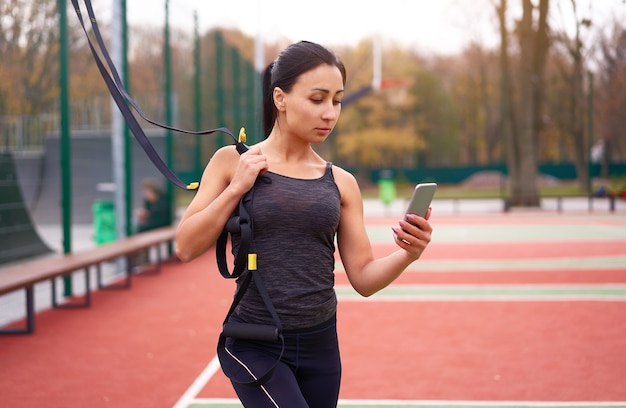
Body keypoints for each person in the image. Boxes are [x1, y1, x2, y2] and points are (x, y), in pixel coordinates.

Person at [175, 41, 432, 407]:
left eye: (337, 100)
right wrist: (236, 188)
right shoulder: (232, 161)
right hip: (254, 342)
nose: (330, 113)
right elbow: (185, 247)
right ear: (280, 98)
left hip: (321, 347)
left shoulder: (342, 182)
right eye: (317, 99)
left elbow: (363, 278)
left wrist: (409, 254)